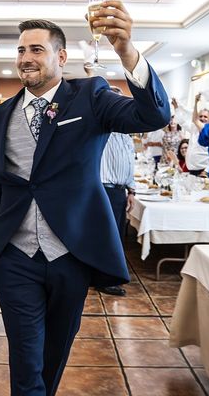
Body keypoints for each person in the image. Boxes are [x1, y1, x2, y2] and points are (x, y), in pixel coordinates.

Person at [0, 2, 170, 395]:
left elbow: (152, 117)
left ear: (61, 57)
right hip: (15, 257)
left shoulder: (90, 97)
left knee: (54, 353)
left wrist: (126, 50)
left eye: (37, 49)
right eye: (21, 50)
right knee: (25, 359)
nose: (26, 58)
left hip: (71, 253)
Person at [95, 85, 136, 297]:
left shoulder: (125, 133)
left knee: (116, 236)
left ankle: (108, 276)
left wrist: (132, 190)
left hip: (120, 191)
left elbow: (130, 162)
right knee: (105, 237)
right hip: (103, 189)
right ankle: (103, 279)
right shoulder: (100, 128)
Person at [172, 96, 209, 176]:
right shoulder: (194, 128)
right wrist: (176, 107)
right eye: (200, 116)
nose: (202, 118)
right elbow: (182, 121)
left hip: (203, 171)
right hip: (191, 171)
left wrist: (206, 171)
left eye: (205, 117)